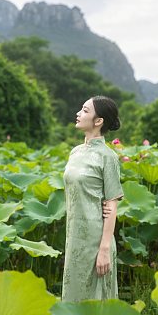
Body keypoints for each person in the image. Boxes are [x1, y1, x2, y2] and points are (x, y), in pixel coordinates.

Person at [62, 95, 123, 302]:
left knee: (95, 303)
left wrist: (104, 249)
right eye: (81, 109)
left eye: (85, 111)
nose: (79, 114)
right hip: (75, 237)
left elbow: (112, 205)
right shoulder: (75, 152)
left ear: (98, 121)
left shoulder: (108, 157)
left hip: (96, 240)